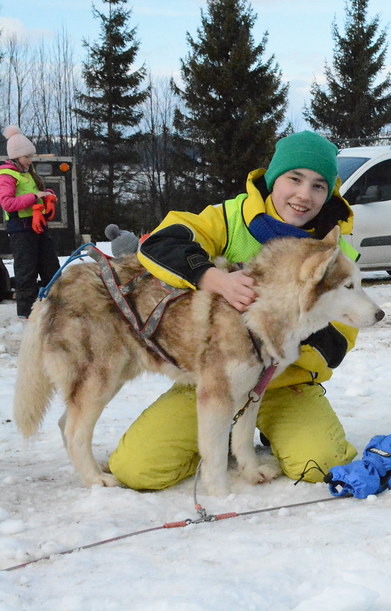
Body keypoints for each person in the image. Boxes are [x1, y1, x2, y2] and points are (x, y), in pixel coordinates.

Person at [107, 131, 364, 490]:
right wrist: (211, 277)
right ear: (274, 178)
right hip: (214, 378)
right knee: (137, 470)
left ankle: (275, 432)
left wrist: (281, 320)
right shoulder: (228, 217)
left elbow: (335, 344)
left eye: (319, 186)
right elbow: (160, 245)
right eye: (294, 178)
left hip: (286, 386)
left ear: (329, 193)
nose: (305, 195)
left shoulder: (336, 257)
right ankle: (215, 438)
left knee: (319, 463)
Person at [0, 126, 60, 319]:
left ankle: (58, 308)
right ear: (16, 157)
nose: (30, 160)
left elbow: (37, 193)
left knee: (51, 268)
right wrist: (35, 198)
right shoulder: (8, 175)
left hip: (39, 227)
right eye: (27, 157)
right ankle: (25, 315)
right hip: (21, 231)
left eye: (31, 156)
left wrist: (48, 196)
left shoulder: (28, 173)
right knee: (26, 273)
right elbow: (7, 203)